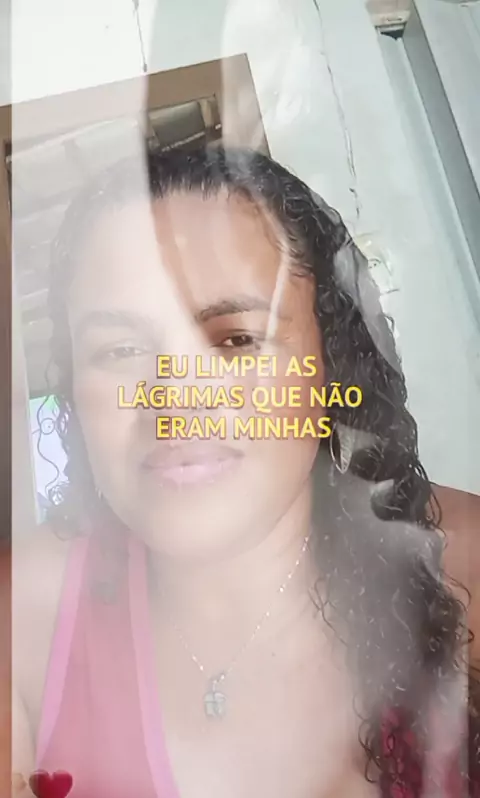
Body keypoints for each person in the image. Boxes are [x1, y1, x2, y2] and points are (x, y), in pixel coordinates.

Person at [11, 146, 478, 797]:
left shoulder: (459, 564)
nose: (177, 401)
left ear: (329, 362)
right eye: (121, 349)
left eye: (235, 340)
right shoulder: (25, 619)